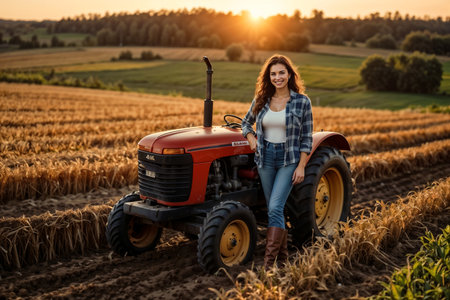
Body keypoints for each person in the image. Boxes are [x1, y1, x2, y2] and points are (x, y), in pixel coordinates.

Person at [241, 54, 313, 269]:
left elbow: (307, 138)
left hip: (288, 158)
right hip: (265, 158)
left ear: (290, 74)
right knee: (277, 209)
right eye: (273, 73)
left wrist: (301, 166)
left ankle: (268, 266)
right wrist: (251, 137)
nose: (277, 77)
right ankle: (282, 262)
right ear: (268, 77)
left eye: (281, 72)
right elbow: (245, 123)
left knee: (274, 207)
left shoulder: (302, 102)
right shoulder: (261, 99)